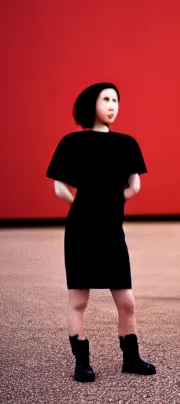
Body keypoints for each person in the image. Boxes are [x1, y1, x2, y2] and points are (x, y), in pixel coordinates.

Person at [46, 82, 156, 382]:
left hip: (111, 232)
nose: (112, 105)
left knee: (127, 301)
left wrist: (113, 200)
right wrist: (83, 206)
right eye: (106, 99)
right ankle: (82, 362)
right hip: (81, 231)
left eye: (116, 100)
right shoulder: (72, 142)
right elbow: (59, 186)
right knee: (79, 300)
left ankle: (131, 358)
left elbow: (135, 184)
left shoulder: (127, 144)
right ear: (90, 104)